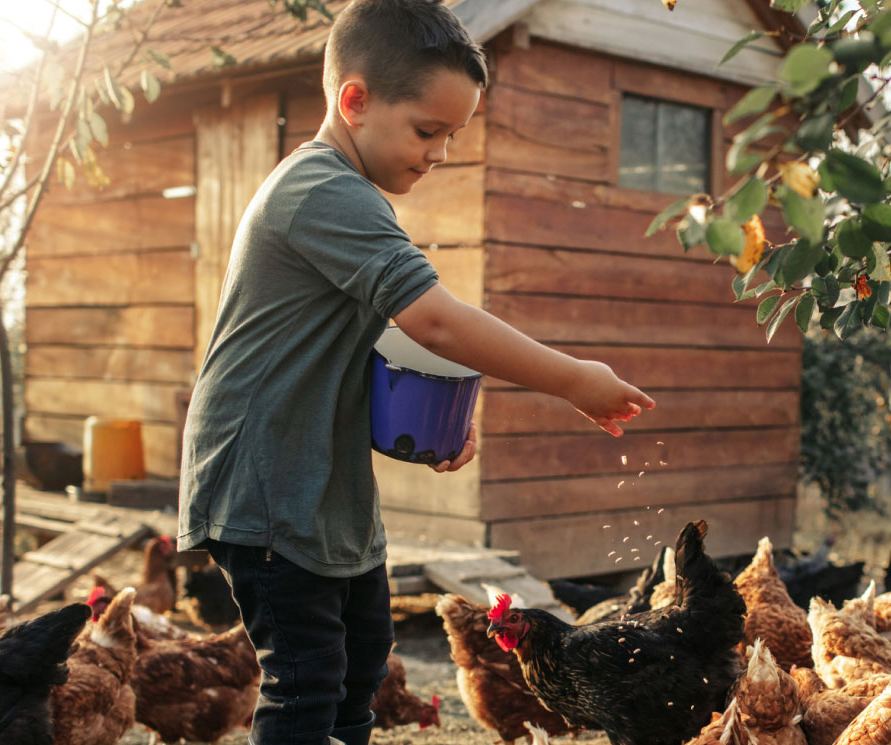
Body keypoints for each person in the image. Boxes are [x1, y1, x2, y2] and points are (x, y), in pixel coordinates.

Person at [176, 2, 655, 743]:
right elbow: (432, 320)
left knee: (364, 654)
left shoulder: (352, 195)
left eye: (452, 136)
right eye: (428, 130)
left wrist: (426, 427)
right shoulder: (319, 188)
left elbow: (341, 348)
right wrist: (569, 376)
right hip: (266, 479)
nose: (439, 152)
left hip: (320, 477)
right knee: (306, 676)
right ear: (355, 100)